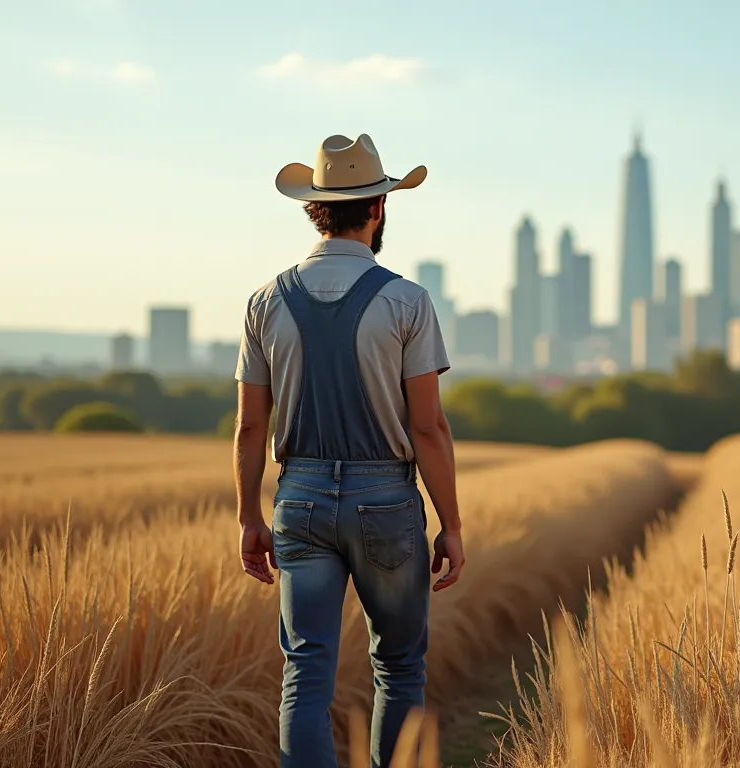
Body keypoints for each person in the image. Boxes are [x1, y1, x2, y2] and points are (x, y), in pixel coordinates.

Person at [231, 133, 465, 768]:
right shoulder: (406, 300)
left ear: (315, 209)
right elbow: (429, 429)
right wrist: (451, 522)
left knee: (305, 672)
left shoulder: (264, 301)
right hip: (387, 500)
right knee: (399, 667)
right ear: (380, 208)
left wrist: (251, 517)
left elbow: (252, 428)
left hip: (298, 499)